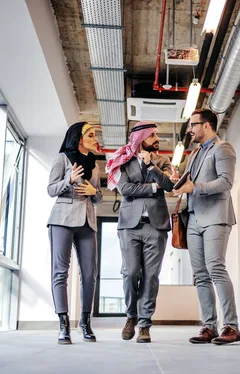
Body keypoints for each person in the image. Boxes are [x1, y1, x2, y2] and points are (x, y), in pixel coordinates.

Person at [173, 109, 240, 345]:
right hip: (193, 218)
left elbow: (226, 181)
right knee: (200, 275)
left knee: (215, 268)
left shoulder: (223, 149)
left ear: (207, 125)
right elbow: (190, 183)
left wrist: (196, 188)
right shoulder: (194, 154)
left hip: (215, 216)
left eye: (194, 124)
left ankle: (231, 326)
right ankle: (209, 326)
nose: (190, 129)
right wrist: (179, 180)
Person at [106, 121, 175, 343]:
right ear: (141, 138)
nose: (157, 138)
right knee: (131, 272)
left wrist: (152, 168)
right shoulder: (123, 161)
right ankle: (130, 316)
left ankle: (144, 324)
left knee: (151, 275)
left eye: (156, 134)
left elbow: (169, 185)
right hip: (129, 225)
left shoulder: (162, 161)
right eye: (152, 135)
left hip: (157, 225)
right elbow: (124, 189)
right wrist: (152, 188)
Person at [47, 122, 102, 344]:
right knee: (60, 272)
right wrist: (69, 180)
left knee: (90, 273)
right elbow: (51, 189)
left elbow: (98, 197)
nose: (94, 137)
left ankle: (85, 323)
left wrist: (93, 191)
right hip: (62, 220)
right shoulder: (62, 159)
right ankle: (63, 324)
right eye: (90, 134)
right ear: (79, 138)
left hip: (87, 221)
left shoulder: (95, 165)